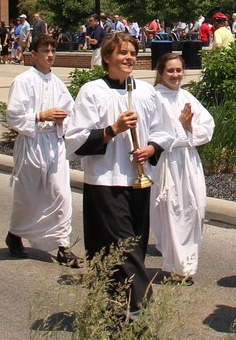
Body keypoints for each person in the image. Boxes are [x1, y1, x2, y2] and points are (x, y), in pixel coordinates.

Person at [64, 33, 176, 318]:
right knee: (121, 246)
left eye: (132, 53)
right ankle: (140, 306)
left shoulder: (146, 93)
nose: (129, 58)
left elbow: (165, 130)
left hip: (138, 181)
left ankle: (113, 307)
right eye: (122, 53)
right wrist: (112, 130)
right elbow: (74, 140)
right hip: (105, 181)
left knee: (135, 245)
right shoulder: (92, 91)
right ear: (106, 58)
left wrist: (150, 149)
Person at [5, 34, 82, 267]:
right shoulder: (23, 81)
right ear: (34, 53)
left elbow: (71, 113)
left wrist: (62, 121)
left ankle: (62, 244)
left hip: (54, 144)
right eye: (45, 50)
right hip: (32, 142)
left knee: (61, 193)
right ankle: (15, 233)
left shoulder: (58, 83)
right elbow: (14, 116)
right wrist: (40, 116)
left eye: (52, 50)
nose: (50, 55)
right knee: (28, 195)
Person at [150, 53, 215, 285]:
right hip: (167, 162)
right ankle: (179, 268)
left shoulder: (187, 96)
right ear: (160, 72)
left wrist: (189, 128)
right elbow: (153, 133)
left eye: (179, 70)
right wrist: (182, 129)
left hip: (188, 160)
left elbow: (207, 127)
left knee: (195, 209)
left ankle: (186, 261)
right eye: (170, 70)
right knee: (172, 212)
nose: (175, 75)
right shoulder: (152, 97)